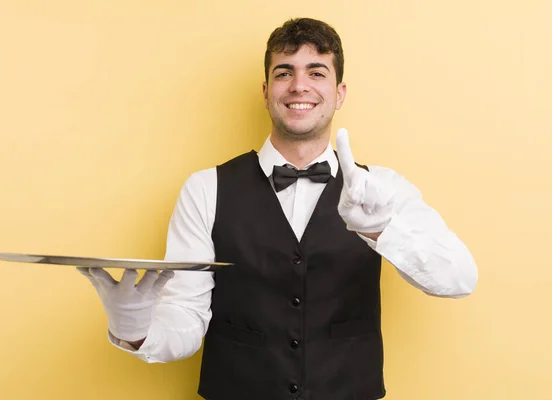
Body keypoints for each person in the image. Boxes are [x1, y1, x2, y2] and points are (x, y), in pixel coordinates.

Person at [78, 17, 478, 400]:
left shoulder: (382, 189)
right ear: (266, 89)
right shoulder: (205, 189)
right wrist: (135, 328)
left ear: (339, 92)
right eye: (284, 72)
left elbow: (458, 278)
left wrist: (381, 231)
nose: (299, 86)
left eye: (317, 72)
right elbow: (187, 313)